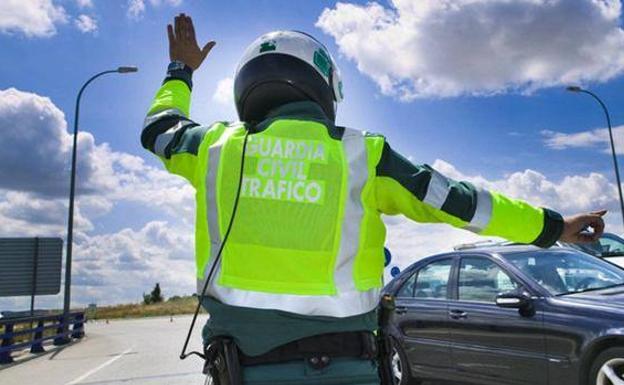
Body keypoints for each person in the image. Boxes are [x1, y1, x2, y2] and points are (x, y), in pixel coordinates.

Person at [141, 13, 606, 385]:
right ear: (324, 88)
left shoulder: (213, 149)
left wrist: (180, 70)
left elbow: (159, 129)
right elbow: (463, 203)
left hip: (243, 368)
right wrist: (552, 226)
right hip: (349, 366)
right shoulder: (364, 155)